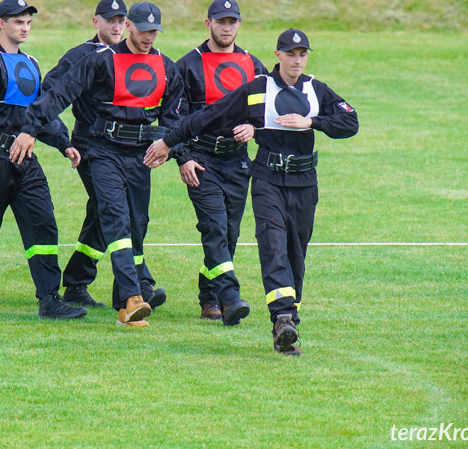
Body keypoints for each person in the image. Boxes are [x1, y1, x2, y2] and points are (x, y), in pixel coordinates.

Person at [145, 28, 358, 354]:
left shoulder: (317, 91)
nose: (296, 61)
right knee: (273, 248)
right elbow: (209, 115)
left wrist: (312, 123)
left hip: (305, 183)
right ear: (278, 56)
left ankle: (289, 319)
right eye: (290, 54)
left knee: (295, 256)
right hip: (267, 180)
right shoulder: (258, 89)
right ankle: (282, 317)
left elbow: (350, 122)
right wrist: (168, 142)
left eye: (302, 55)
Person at [11, 1, 183, 328]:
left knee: (137, 223)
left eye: (154, 32)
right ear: (131, 27)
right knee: (115, 218)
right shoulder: (100, 61)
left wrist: (168, 143)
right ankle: (133, 299)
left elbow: (176, 114)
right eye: (143, 30)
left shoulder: (166, 66)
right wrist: (29, 129)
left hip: (140, 156)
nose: (149, 37)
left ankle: (123, 300)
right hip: (102, 151)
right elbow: (58, 94)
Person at [0, 0, 86, 320]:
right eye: (17, 22)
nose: (24, 28)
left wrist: (63, 143)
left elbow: (40, 111)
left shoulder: (30, 62)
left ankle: (50, 300)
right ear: (1, 23)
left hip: (26, 160)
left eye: (27, 23)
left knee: (43, 225)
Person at [170, 0, 267, 325]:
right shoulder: (188, 65)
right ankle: (229, 297)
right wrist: (182, 158)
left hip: (238, 161)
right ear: (207, 23)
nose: (227, 27)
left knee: (229, 234)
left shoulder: (253, 65)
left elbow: (267, 110)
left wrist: (253, 126)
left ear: (239, 24)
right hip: (201, 160)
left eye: (232, 22)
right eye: (220, 21)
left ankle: (209, 296)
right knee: (214, 228)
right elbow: (174, 117)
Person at [40, 0, 128, 308]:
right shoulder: (81, 55)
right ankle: (135, 287)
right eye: (110, 20)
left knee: (103, 212)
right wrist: (62, 139)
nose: (116, 26)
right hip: (91, 148)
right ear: (96, 21)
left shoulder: (133, 56)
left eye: (121, 20)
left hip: (128, 151)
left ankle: (77, 281)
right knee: (115, 210)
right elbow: (48, 91)